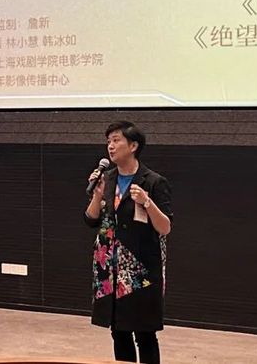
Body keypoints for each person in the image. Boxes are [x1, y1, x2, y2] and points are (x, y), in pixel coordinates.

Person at [84, 121, 173, 364]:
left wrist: (147, 202)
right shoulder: (107, 179)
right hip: (110, 270)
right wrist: (97, 195)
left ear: (133, 146)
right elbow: (91, 219)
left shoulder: (153, 181)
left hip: (140, 271)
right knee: (119, 332)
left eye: (116, 140)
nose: (110, 146)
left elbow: (165, 227)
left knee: (145, 334)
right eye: (108, 141)